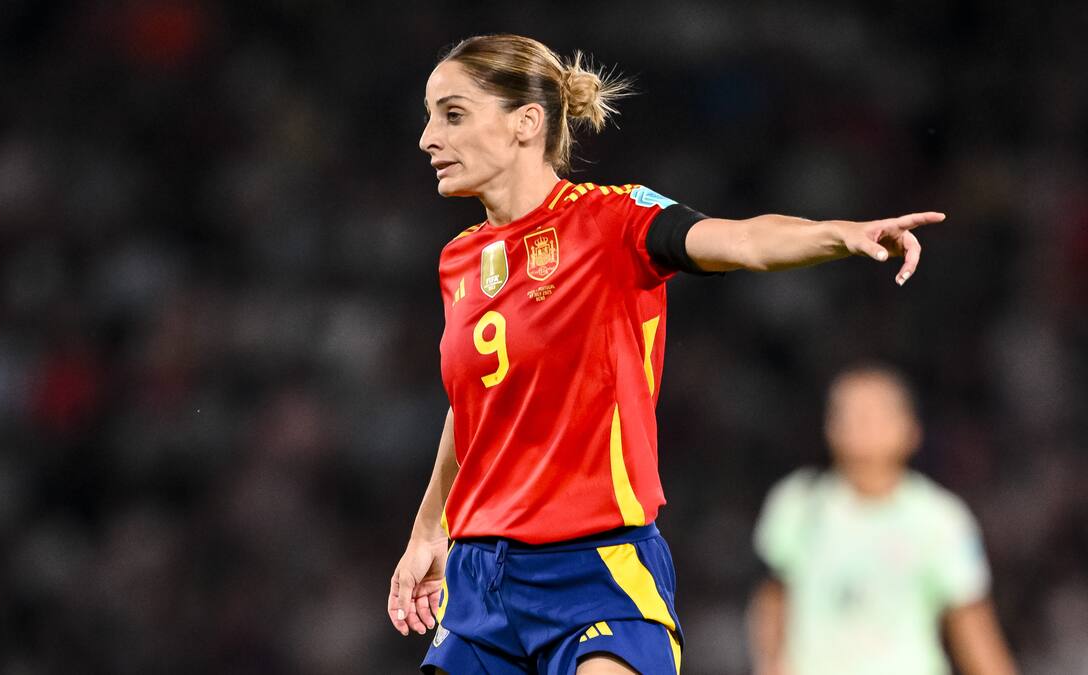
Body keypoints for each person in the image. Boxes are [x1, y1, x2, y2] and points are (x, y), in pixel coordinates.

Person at [389, 33, 941, 675]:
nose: (428, 138)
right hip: (481, 580)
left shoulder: (612, 220)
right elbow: (475, 404)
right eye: (430, 117)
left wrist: (837, 234)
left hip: (593, 568)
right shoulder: (459, 260)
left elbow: (742, 241)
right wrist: (429, 528)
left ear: (527, 122)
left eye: (453, 114)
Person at [747, 365, 1017, 675]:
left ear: (910, 429)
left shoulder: (940, 518)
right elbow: (773, 595)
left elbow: (971, 622)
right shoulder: (799, 504)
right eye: (847, 413)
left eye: (874, 413)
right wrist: (770, 661)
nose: (860, 424)